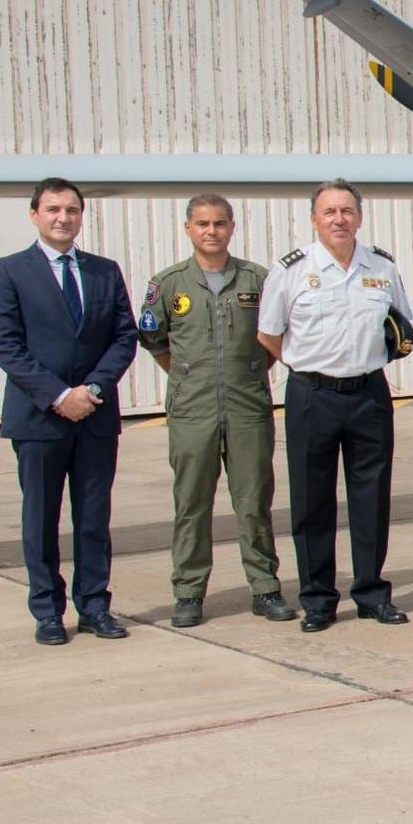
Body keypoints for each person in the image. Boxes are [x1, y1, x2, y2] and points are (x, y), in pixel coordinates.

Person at [0, 177, 139, 646]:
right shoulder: (8, 271)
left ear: (81, 215)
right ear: (34, 214)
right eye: (52, 209)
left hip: (94, 416)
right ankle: (48, 612)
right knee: (41, 520)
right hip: (39, 419)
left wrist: (91, 389)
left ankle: (94, 606)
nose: (62, 217)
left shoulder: (104, 271)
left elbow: (124, 336)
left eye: (71, 210)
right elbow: (7, 347)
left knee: (93, 518)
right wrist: (58, 395)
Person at [257, 178, 413, 632]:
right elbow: (268, 334)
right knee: (311, 502)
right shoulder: (290, 269)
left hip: (368, 393)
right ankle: (319, 599)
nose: (339, 219)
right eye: (329, 212)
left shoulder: (381, 267)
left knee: (372, 498)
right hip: (312, 396)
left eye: (347, 211)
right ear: (314, 219)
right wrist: (311, 368)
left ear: (359, 218)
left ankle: (370, 593)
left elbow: (401, 326)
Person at [137, 193, 293, 627]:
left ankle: (264, 587)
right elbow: (155, 341)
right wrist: (190, 377)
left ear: (232, 227)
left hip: (247, 407)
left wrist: (246, 373)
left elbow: (275, 334)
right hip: (192, 410)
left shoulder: (257, 279)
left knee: (254, 500)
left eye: (219, 223)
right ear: (188, 228)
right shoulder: (168, 284)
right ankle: (188, 593)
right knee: (191, 502)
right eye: (202, 224)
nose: (211, 231)